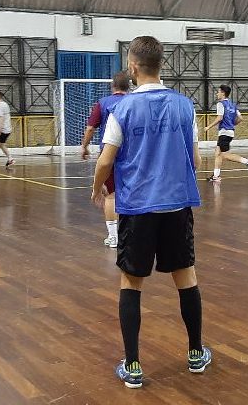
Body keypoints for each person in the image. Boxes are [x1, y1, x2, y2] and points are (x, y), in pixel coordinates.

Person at [91, 36, 210, 389]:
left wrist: (98, 186)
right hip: (176, 205)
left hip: (138, 208)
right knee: (186, 277)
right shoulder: (184, 106)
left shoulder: (121, 110)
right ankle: (194, 354)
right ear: (161, 66)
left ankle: (133, 366)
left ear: (132, 67)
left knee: (132, 282)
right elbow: (196, 159)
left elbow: (106, 159)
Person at [81, 71, 130, 248]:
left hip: (110, 152)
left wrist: (84, 146)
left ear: (113, 86)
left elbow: (90, 129)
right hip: (134, 154)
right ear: (129, 86)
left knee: (111, 195)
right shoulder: (136, 102)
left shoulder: (102, 103)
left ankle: (113, 237)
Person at [205, 85, 248, 182]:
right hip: (229, 132)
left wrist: (208, 127)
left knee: (224, 155)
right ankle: (216, 176)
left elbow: (219, 118)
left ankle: (247, 161)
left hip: (224, 132)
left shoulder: (220, 104)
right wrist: (232, 124)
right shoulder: (232, 105)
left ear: (223, 93)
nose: (217, 94)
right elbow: (240, 118)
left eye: (218, 92)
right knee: (218, 153)